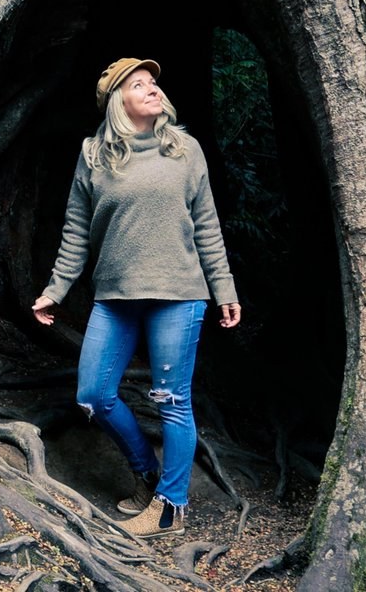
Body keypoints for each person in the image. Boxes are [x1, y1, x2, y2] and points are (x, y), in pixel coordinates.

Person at [29, 58, 240, 539]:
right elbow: (76, 231)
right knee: (94, 395)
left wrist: (224, 288)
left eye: (154, 83)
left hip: (178, 295)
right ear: (116, 102)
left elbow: (207, 226)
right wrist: (55, 290)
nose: (152, 89)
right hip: (116, 296)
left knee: (172, 401)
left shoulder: (185, 150)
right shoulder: (94, 156)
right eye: (138, 83)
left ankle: (170, 507)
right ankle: (149, 474)